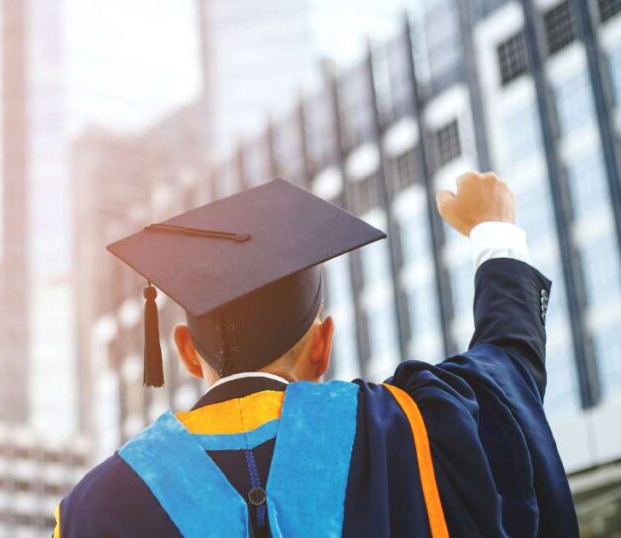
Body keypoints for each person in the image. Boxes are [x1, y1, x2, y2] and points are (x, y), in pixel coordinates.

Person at [52, 172, 578, 537]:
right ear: (322, 344)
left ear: (187, 352)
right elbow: (508, 369)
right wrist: (495, 230)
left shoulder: (90, 511)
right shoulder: (413, 427)